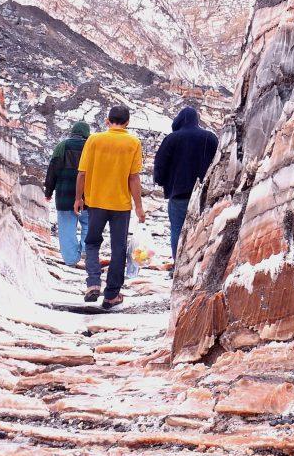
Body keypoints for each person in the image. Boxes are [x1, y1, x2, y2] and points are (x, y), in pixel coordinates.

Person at [75, 104, 145, 309]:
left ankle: (93, 283)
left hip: (95, 202)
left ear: (107, 120)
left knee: (92, 242)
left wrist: (79, 198)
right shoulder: (133, 142)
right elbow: (134, 178)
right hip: (121, 205)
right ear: (127, 123)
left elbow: (82, 173)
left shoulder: (94, 140)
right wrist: (139, 206)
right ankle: (112, 295)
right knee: (119, 248)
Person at [154, 105, 218, 261]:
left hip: (179, 193)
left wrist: (160, 180)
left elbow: (160, 164)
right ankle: (199, 264)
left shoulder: (172, 139)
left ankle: (178, 265)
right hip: (205, 193)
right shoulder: (210, 137)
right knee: (202, 229)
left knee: (177, 229)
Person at [44, 121, 91, 266]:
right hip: (86, 196)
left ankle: (71, 259)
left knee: (66, 228)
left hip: (64, 195)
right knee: (88, 223)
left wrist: (48, 191)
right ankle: (86, 250)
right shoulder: (90, 147)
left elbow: (52, 170)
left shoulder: (61, 146)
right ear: (86, 133)